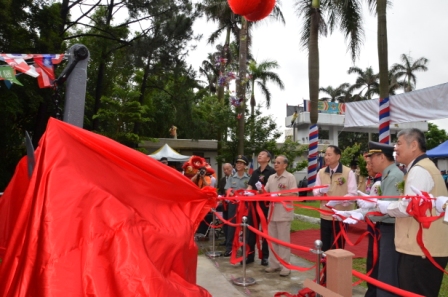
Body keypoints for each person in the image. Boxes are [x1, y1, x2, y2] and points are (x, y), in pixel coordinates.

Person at [385, 128, 448, 297]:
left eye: (398, 143)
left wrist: (381, 206)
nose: (395, 148)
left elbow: (408, 207)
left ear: (413, 145)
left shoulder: (420, 170)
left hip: (421, 251)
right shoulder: (420, 167)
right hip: (421, 249)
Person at [352, 142, 404, 297]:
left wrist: (363, 214)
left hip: (390, 228)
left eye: (372, 157)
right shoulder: (389, 175)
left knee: (386, 274)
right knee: (380, 270)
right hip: (384, 228)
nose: (370, 161)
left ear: (382, 157)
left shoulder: (393, 175)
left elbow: (388, 210)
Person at [313, 145, 357, 252]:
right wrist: (320, 191)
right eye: (325, 155)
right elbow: (315, 192)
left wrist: (340, 200)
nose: (326, 157)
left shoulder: (348, 172)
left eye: (329, 155)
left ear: (338, 156)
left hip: (341, 216)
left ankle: (336, 269)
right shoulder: (321, 172)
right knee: (325, 246)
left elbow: (353, 194)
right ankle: (325, 269)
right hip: (325, 214)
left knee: (338, 246)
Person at [263, 155, 296, 277]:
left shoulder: (290, 177)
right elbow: (265, 193)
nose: (275, 164)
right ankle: (274, 264)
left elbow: (294, 195)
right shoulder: (271, 177)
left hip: (283, 214)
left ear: (285, 165)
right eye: (274, 162)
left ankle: (285, 266)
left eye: (278, 162)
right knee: (272, 241)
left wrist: (280, 196)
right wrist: (259, 189)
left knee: (283, 241)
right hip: (271, 214)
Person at [245, 150, 276, 266]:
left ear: (268, 159)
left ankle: (265, 256)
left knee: (265, 231)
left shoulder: (272, 172)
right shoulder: (255, 172)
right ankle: (250, 255)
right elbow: (249, 186)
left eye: (262, 154)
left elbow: (272, 189)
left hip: (265, 206)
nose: (259, 155)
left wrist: (261, 192)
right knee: (251, 231)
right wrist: (246, 194)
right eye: (259, 154)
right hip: (253, 205)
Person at [223, 155, 250, 257]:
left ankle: (244, 248)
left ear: (245, 166)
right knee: (231, 226)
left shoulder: (248, 178)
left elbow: (250, 190)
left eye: (241, 163)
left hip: (244, 205)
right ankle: (229, 248)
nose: (238, 165)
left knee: (244, 226)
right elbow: (227, 190)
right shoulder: (231, 177)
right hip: (233, 205)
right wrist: (233, 195)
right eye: (237, 163)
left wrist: (242, 197)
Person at [217, 163, 233, 246]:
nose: (226, 171)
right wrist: (220, 196)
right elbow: (220, 190)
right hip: (225, 204)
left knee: (232, 223)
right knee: (225, 222)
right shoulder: (222, 180)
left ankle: (232, 241)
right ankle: (227, 239)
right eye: (224, 169)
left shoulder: (235, 178)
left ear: (231, 168)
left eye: (228, 169)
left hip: (233, 203)